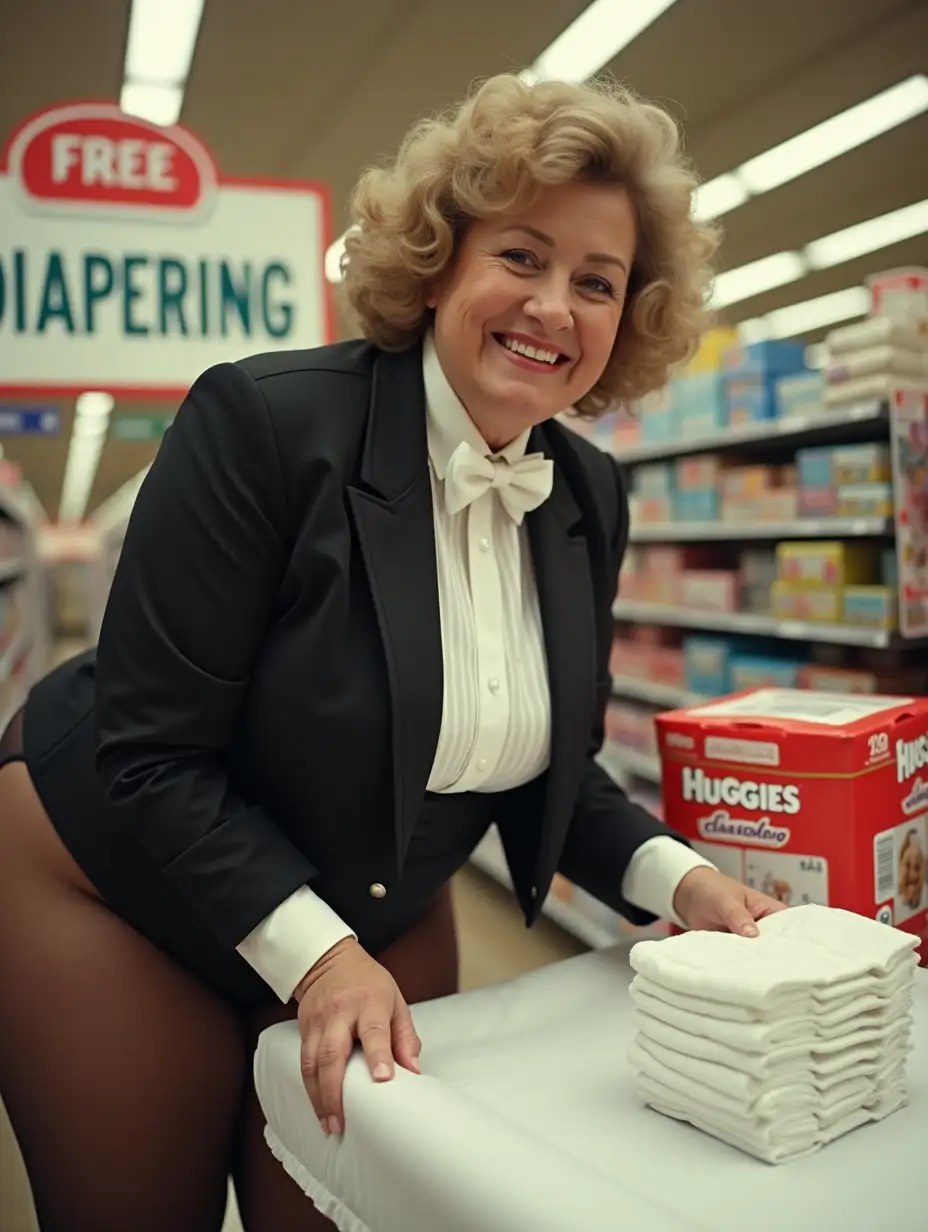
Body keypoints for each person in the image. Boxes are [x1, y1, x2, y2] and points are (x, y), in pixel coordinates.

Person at [0, 73, 786, 1232]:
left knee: (346, 1207)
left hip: (380, 885)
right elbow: (155, 753)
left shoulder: (586, 494)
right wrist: (315, 958)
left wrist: (687, 880)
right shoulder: (265, 426)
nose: (553, 306)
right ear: (438, 259)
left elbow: (554, 765)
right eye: (520, 256)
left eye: (597, 281)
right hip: (116, 879)